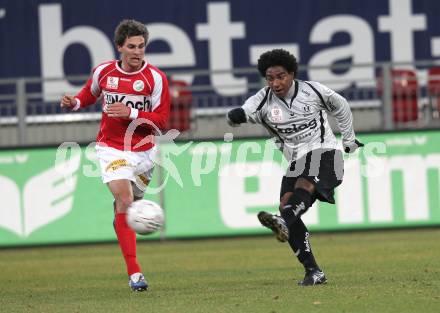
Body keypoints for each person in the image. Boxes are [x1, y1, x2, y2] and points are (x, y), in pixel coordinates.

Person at [226, 49, 363, 286]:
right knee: (286, 206)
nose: (276, 83)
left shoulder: (313, 91)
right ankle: (314, 271)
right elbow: (244, 111)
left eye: (281, 76)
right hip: (295, 162)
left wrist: (348, 139)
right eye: (270, 78)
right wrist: (235, 116)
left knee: (302, 188)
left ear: (292, 74)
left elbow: (341, 105)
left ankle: (283, 220)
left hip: (327, 154)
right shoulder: (262, 101)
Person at [60, 19, 170, 291]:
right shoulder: (104, 72)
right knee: (125, 199)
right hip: (112, 148)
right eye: (131, 46)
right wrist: (74, 102)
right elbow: (89, 94)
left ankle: (123, 221)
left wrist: (131, 113)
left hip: (145, 152)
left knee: (130, 207)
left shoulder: (155, 78)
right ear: (119, 47)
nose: (137, 52)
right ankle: (135, 274)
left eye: (141, 46)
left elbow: (163, 121)